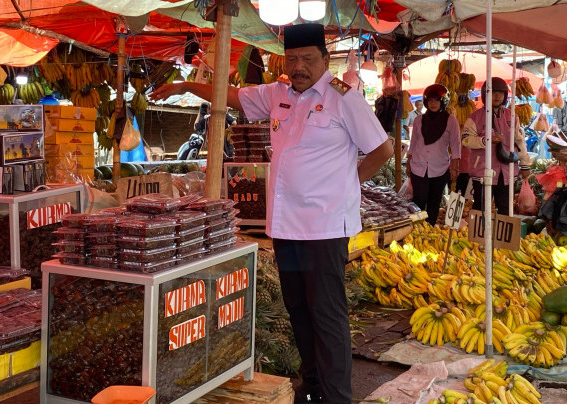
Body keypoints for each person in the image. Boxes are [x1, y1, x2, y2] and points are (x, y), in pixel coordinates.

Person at [150, 23, 393, 404]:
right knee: (298, 310)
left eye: (308, 59)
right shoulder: (277, 93)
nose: (299, 67)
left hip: (325, 225)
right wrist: (183, 87)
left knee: (327, 316)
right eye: (293, 59)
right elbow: (228, 96)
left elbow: (382, 150)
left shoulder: (343, 98)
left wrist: (350, 182)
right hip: (285, 226)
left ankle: (337, 397)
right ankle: (312, 388)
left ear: (324, 60)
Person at [462, 77, 528, 215]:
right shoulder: (475, 117)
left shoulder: (512, 117)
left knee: (505, 208)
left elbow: (519, 141)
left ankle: (502, 236)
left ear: (505, 96)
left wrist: (525, 164)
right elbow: (466, 140)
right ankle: (480, 236)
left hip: (507, 172)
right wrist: (485, 141)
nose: (497, 96)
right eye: (493, 92)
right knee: (481, 208)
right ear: (486, 94)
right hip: (482, 172)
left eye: (500, 93)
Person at [406, 85, 460, 225]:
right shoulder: (419, 120)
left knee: (434, 201)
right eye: (430, 100)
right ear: (425, 102)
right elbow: (413, 143)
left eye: (437, 100)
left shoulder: (451, 120)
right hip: (419, 166)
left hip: (440, 168)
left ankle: (429, 229)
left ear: (443, 102)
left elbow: (455, 144)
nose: (433, 103)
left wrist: (454, 166)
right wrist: (409, 162)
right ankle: (415, 228)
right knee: (419, 199)